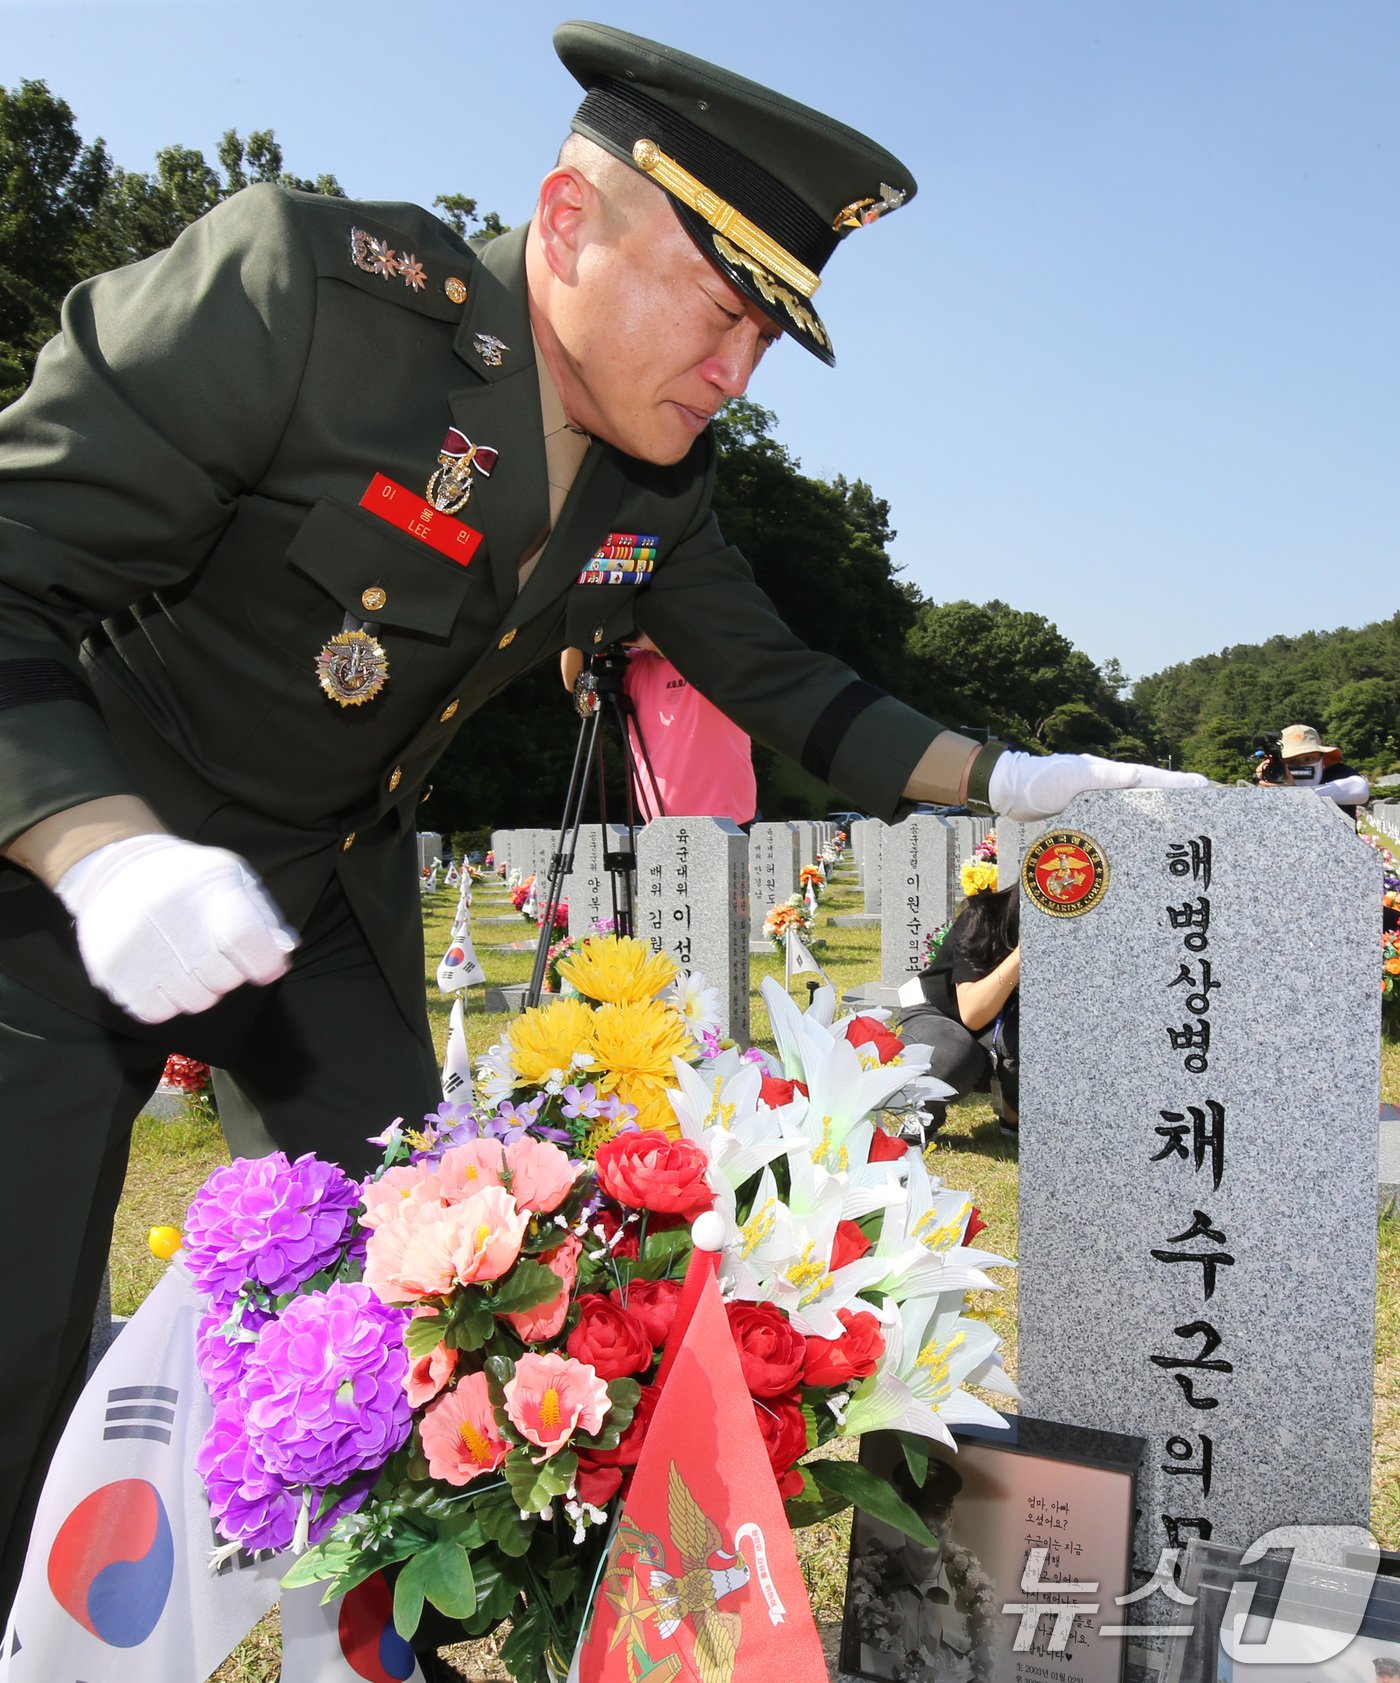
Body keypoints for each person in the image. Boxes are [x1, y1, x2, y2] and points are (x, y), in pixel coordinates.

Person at [0, 19, 1204, 1631]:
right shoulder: (307, 300)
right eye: (721, 312)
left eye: (766, 343)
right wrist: (98, 842)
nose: (734, 373)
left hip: (312, 891)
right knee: (18, 1312)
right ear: (568, 227)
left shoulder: (660, 481)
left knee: (436, 1290)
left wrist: (1013, 780)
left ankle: (378, 1631)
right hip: (70, 851)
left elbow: (787, 685)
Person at [561, 634, 757, 824]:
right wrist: (573, 637)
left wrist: (649, 638)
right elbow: (579, 689)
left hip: (725, 817)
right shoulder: (630, 665)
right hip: (659, 822)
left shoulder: (714, 658)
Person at [897, 858, 1020, 1137]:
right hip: (944, 1016)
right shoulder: (985, 916)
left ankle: (1014, 1111)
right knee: (951, 1055)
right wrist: (1021, 955)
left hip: (1004, 1033)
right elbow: (972, 1014)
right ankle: (921, 1115)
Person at [1253, 723, 1370, 824]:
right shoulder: (1273, 778)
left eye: (1309, 759)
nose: (1301, 765)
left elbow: (1360, 790)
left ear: (1321, 757)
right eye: (1292, 761)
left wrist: (1293, 793)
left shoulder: (1337, 772)